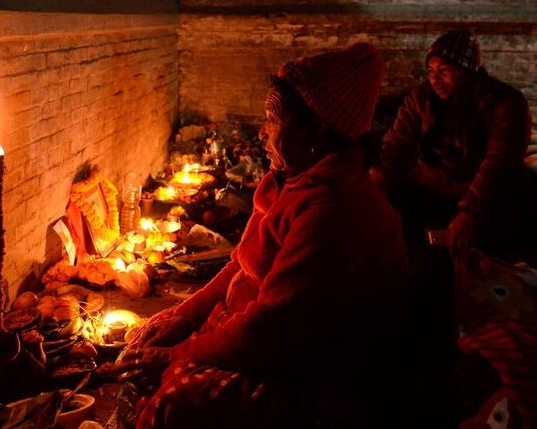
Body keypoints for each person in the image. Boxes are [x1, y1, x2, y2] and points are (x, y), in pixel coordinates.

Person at [111, 43, 409, 428]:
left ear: (314, 132)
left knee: (175, 399)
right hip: (262, 332)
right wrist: (183, 316)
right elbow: (240, 262)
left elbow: (271, 328)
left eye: (273, 118)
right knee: (150, 335)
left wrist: (177, 356)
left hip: (315, 370)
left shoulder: (334, 210)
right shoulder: (288, 182)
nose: (263, 132)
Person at [371, 28, 534, 260]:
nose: (435, 79)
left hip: (477, 190)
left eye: (445, 71)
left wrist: (470, 212)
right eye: (431, 71)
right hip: (431, 181)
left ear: (468, 72)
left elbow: (498, 162)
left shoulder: (505, 103)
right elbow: (397, 144)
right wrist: (375, 190)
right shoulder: (421, 98)